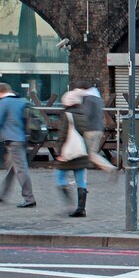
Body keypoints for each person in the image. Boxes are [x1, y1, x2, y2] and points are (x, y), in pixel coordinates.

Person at [0, 82, 36, 208]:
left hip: (13, 139)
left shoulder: (3, 103)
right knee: (14, 168)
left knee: (20, 169)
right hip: (23, 138)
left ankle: (29, 198)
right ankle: (2, 194)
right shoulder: (22, 100)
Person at [55, 88, 90, 217]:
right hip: (81, 151)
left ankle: (69, 203)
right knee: (80, 179)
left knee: (59, 177)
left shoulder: (67, 115)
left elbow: (63, 135)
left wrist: (60, 152)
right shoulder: (83, 114)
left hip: (68, 153)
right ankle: (81, 208)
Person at [77, 80, 117, 178]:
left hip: (89, 130)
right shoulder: (98, 98)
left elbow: (86, 114)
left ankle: (83, 179)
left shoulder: (88, 99)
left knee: (86, 155)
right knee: (91, 154)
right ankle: (109, 168)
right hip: (99, 129)